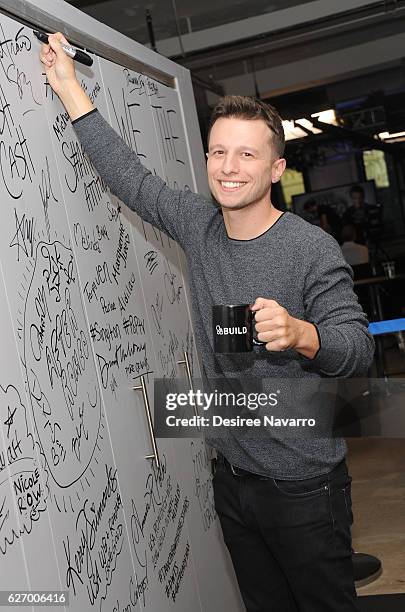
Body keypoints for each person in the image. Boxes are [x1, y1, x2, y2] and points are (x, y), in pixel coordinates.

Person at [40, 34, 375, 612]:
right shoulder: (200, 226)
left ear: (276, 168)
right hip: (234, 479)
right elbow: (130, 179)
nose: (228, 166)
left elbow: (357, 350)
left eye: (247, 154)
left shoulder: (309, 249)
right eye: (219, 152)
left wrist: (301, 334)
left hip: (304, 488)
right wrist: (69, 84)